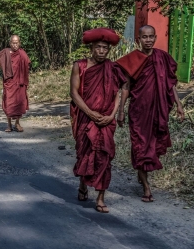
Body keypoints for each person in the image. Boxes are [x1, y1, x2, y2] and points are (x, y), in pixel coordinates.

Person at [116, 25, 185, 203]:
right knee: (140, 145)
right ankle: (147, 188)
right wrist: (121, 111)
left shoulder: (162, 58)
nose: (148, 40)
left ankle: (143, 174)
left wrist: (179, 104)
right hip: (139, 111)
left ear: (155, 38)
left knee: (153, 145)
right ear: (138, 40)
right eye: (144, 37)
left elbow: (170, 84)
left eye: (151, 37)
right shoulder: (132, 59)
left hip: (158, 111)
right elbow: (126, 87)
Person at [70, 28, 125, 213]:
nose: (101, 51)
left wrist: (113, 115)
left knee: (104, 157)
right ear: (91, 48)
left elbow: (120, 91)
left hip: (106, 119)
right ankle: (83, 184)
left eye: (105, 48)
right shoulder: (80, 66)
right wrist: (90, 113)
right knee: (85, 154)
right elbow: (74, 93)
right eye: (98, 47)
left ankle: (100, 198)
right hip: (86, 117)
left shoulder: (113, 68)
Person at [0, 35, 31, 132]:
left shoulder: (22, 53)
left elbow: (27, 65)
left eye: (17, 43)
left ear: (19, 43)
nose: (15, 45)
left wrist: (25, 78)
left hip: (19, 82)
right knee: (9, 102)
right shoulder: (5, 52)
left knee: (19, 102)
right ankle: (9, 124)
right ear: (10, 43)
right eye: (13, 43)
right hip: (9, 82)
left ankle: (17, 123)